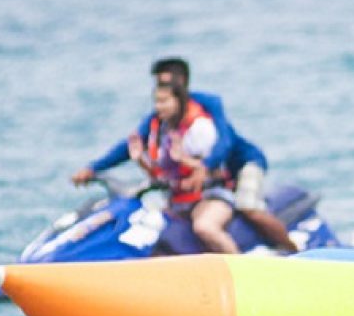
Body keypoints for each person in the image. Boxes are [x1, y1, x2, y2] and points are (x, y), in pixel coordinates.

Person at [72, 57, 297, 252]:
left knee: (248, 207)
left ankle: (291, 250)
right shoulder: (162, 118)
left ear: (182, 84)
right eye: (158, 85)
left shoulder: (205, 109)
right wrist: (94, 168)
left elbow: (224, 142)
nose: (161, 93)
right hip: (205, 177)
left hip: (241, 163)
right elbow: (131, 145)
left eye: (167, 85)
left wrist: (205, 167)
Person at [129, 78, 238, 253]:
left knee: (205, 227)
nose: (158, 107)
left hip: (211, 196)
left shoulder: (199, 128)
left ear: (179, 101)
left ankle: (240, 269)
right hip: (178, 202)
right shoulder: (163, 131)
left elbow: (215, 172)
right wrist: (140, 159)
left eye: (164, 101)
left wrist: (184, 159)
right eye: (156, 102)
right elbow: (161, 176)